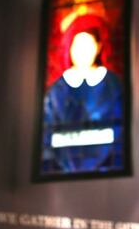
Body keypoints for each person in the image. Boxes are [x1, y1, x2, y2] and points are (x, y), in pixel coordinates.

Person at [41, 14, 123, 173]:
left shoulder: (113, 85)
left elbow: (121, 133)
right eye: (77, 45)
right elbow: (47, 132)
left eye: (88, 44)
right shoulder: (57, 90)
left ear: (98, 47)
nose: (82, 51)